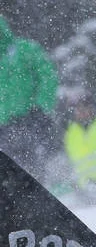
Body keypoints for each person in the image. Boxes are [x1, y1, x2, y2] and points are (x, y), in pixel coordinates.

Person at [0, 15, 59, 180]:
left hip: (30, 117)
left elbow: (48, 75)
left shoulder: (24, 49)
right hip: (3, 126)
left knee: (36, 164)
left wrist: (41, 105)